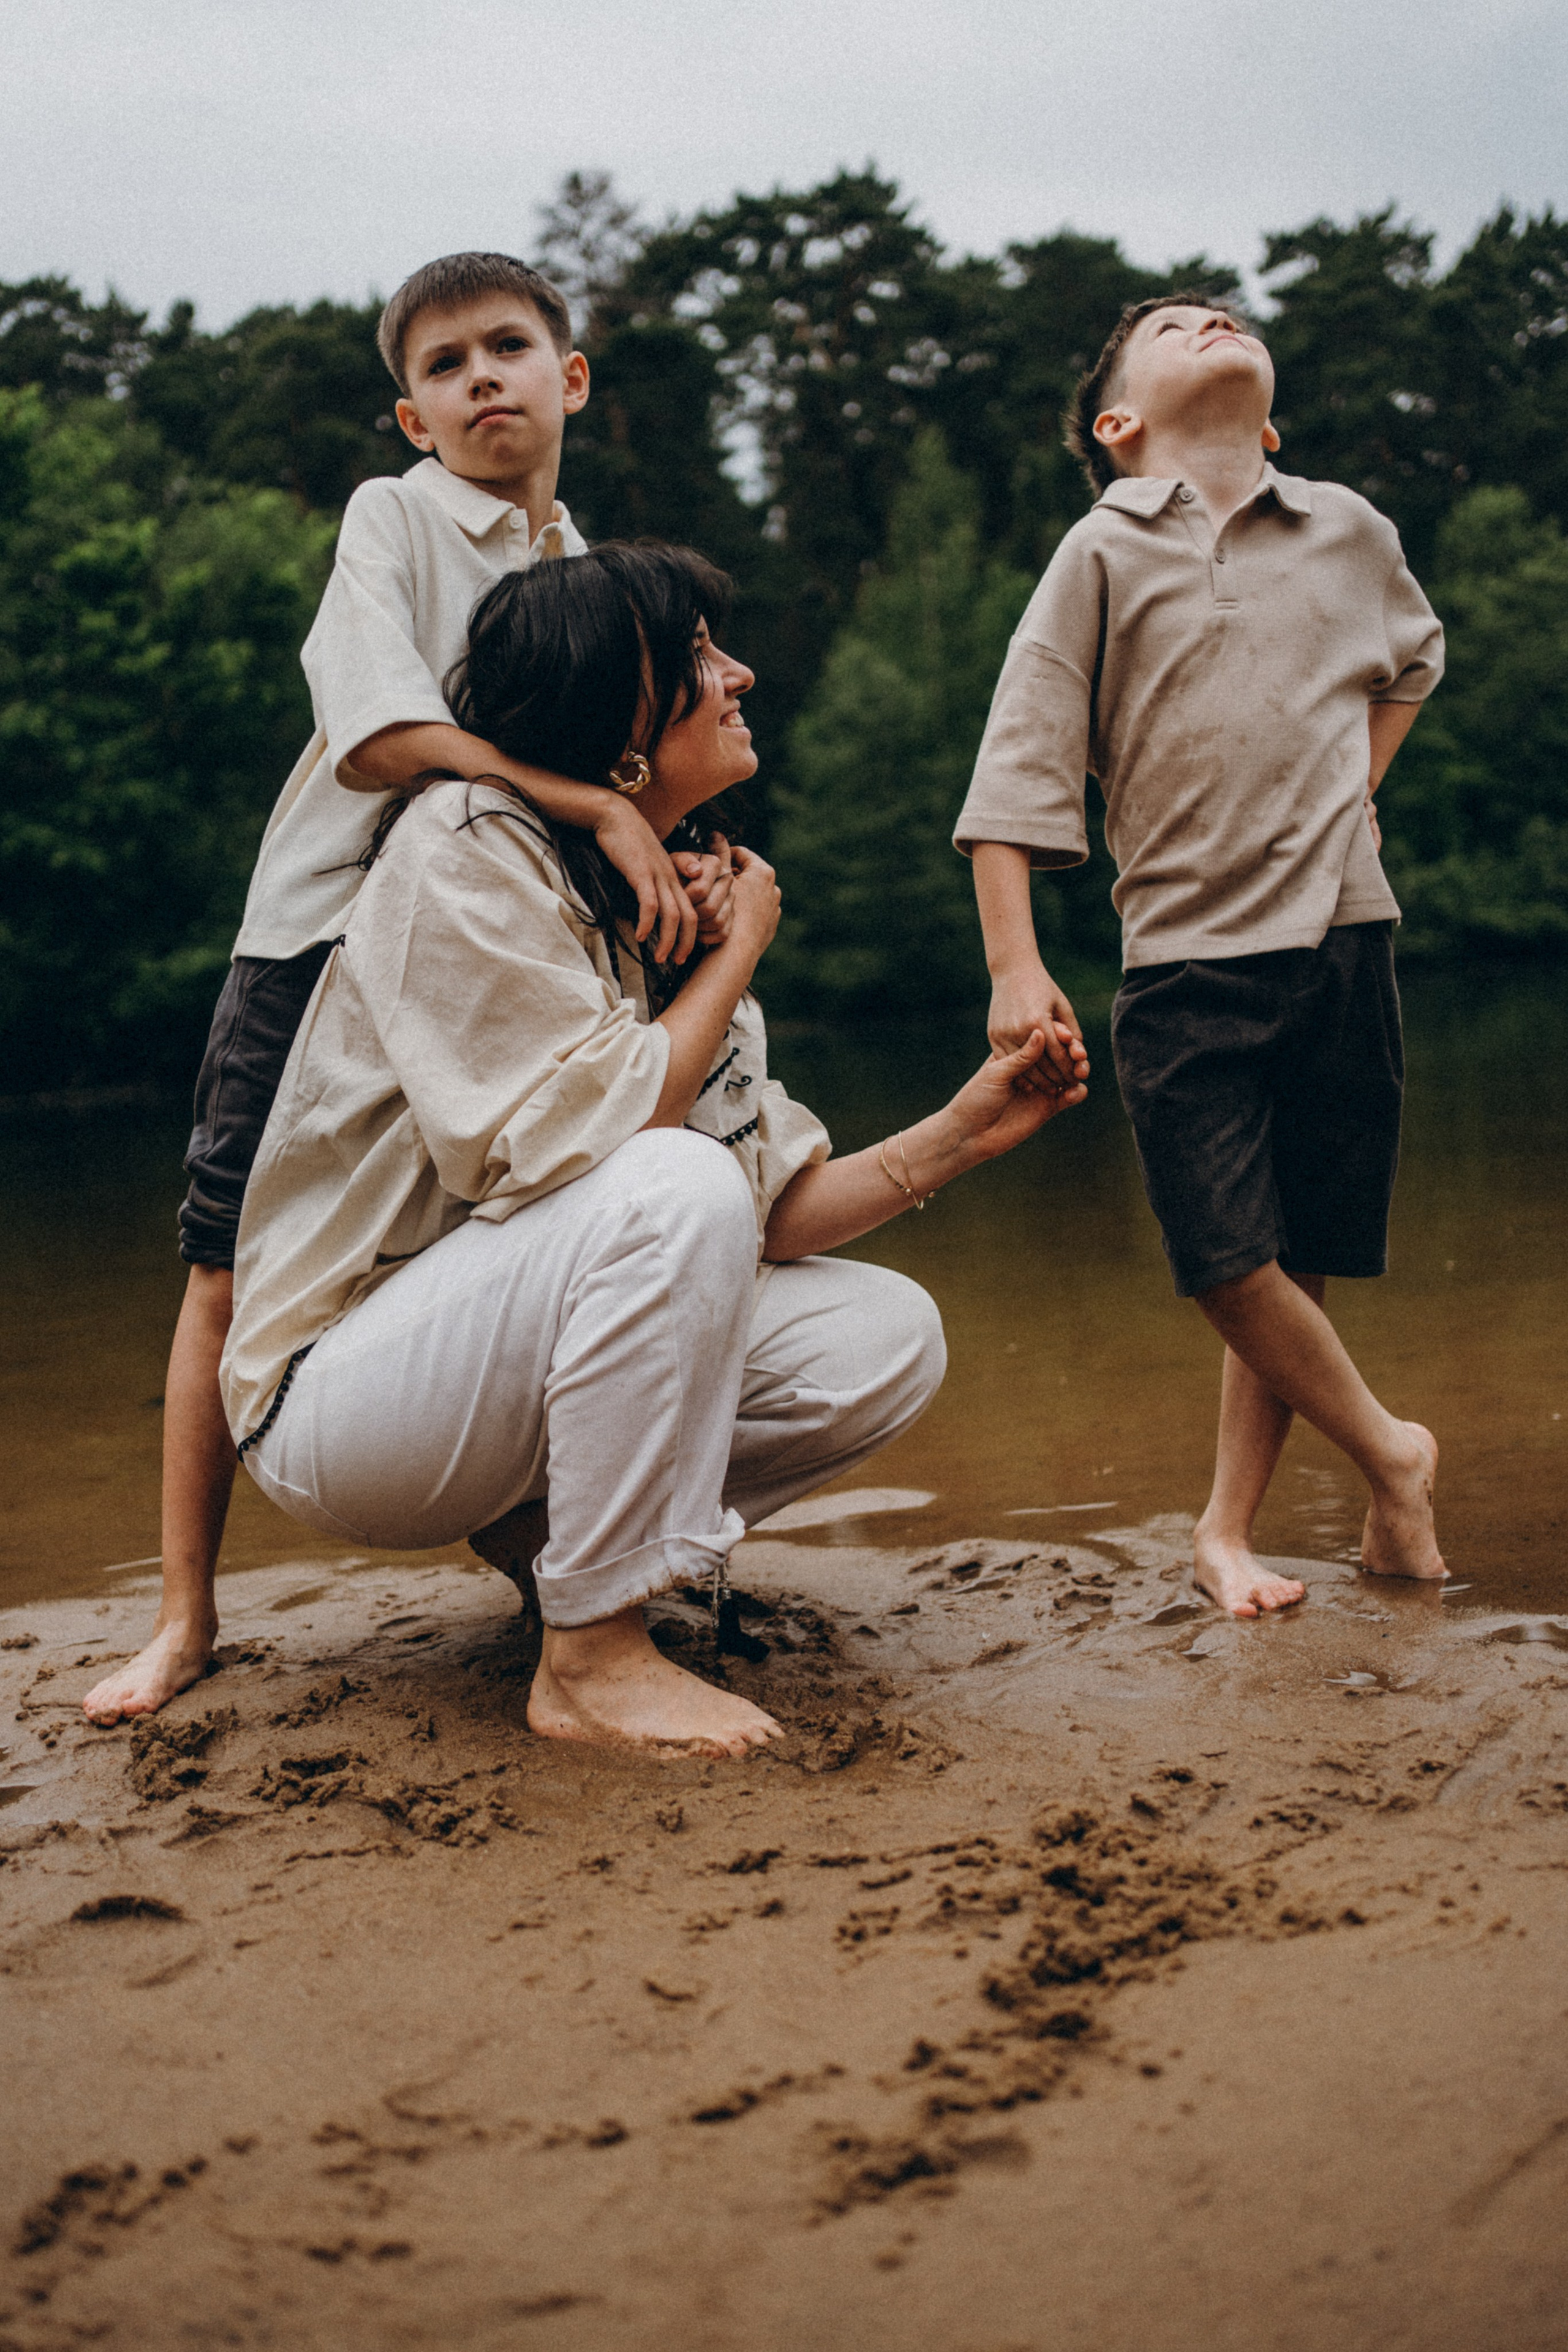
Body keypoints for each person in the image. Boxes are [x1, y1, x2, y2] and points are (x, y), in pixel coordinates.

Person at [213, 543, 1088, 1756]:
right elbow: (622, 1153)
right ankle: (590, 1658)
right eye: (694, 659)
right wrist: (735, 962)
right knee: (663, 1178)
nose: (737, 675)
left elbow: (759, 1213)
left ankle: (550, 1543)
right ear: (618, 720)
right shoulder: (461, 842)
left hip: (476, 1367)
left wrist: (966, 1132)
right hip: (340, 1402)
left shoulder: (670, 903)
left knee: (879, 1340)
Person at [86, 253, 729, 1724]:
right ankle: (185, 1618)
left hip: (505, 952)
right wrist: (584, 797)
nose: (481, 378)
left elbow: (650, 753)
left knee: (513, 1220)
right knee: (226, 1266)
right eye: (444, 365)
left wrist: (672, 848)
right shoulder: (396, 520)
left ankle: (564, 1572)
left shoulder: (583, 566)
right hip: (324, 941)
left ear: (571, 381)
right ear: (408, 416)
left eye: (510, 347)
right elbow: (379, 737)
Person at [955, 295, 1447, 1619]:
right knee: (1220, 1256)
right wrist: (1014, 965)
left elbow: (1410, 661)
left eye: (1223, 315)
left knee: (1295, 1252)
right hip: (1183, 956)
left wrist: (1352, 787)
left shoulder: (1348, 529)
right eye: (1172, 326)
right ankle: (1391, 1450)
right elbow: (1016, 767)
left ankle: (1229, 1530)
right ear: (1118, 424)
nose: (1209, 320)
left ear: (1270, 418)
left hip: (1348, 935)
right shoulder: (1099, 548)